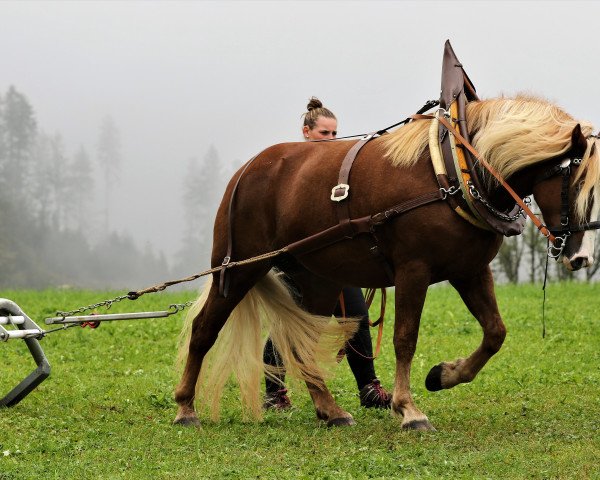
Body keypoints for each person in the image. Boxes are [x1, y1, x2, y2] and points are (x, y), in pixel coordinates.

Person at [262, 97, 391, 410]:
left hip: (335, 258)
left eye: (335, 133)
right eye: (324, 133)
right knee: (292, 324)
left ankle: (368, 388)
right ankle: (274, 393)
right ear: (306, 132)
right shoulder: (292, 167)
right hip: (296, 261)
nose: (332, 139)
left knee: (357, 317)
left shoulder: (337, 168)